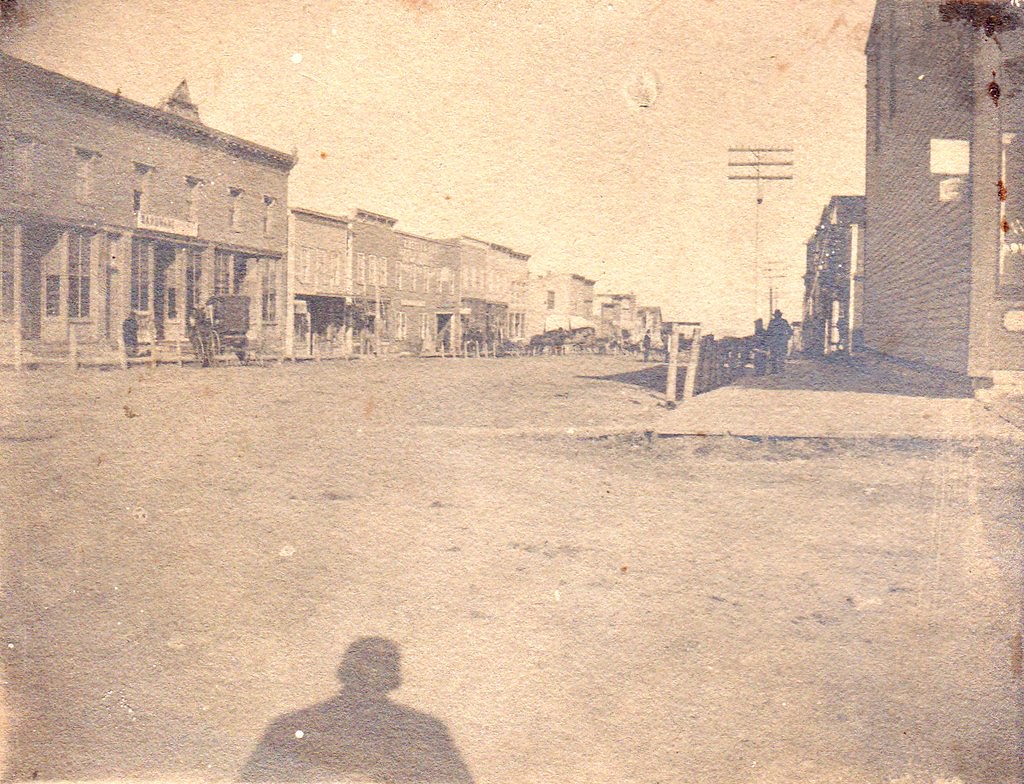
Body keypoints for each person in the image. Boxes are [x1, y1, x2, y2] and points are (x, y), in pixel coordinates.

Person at [239, 637, 474, 783]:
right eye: (366, 663)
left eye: (380, 664)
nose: (371, 673)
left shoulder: (425, 731)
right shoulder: (295, 727)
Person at [766, 309, 793, 375]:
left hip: (781, 341)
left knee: (781, 355)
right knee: (774, 356)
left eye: (778, 315)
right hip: (775, 341)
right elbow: (768, 332)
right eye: (776, 315)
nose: (777, 316)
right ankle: (774, 370)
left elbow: (790, 331)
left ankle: (781, 369)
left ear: (780, 315)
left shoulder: (784, 321)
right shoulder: (772, 322)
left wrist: (787, 337)